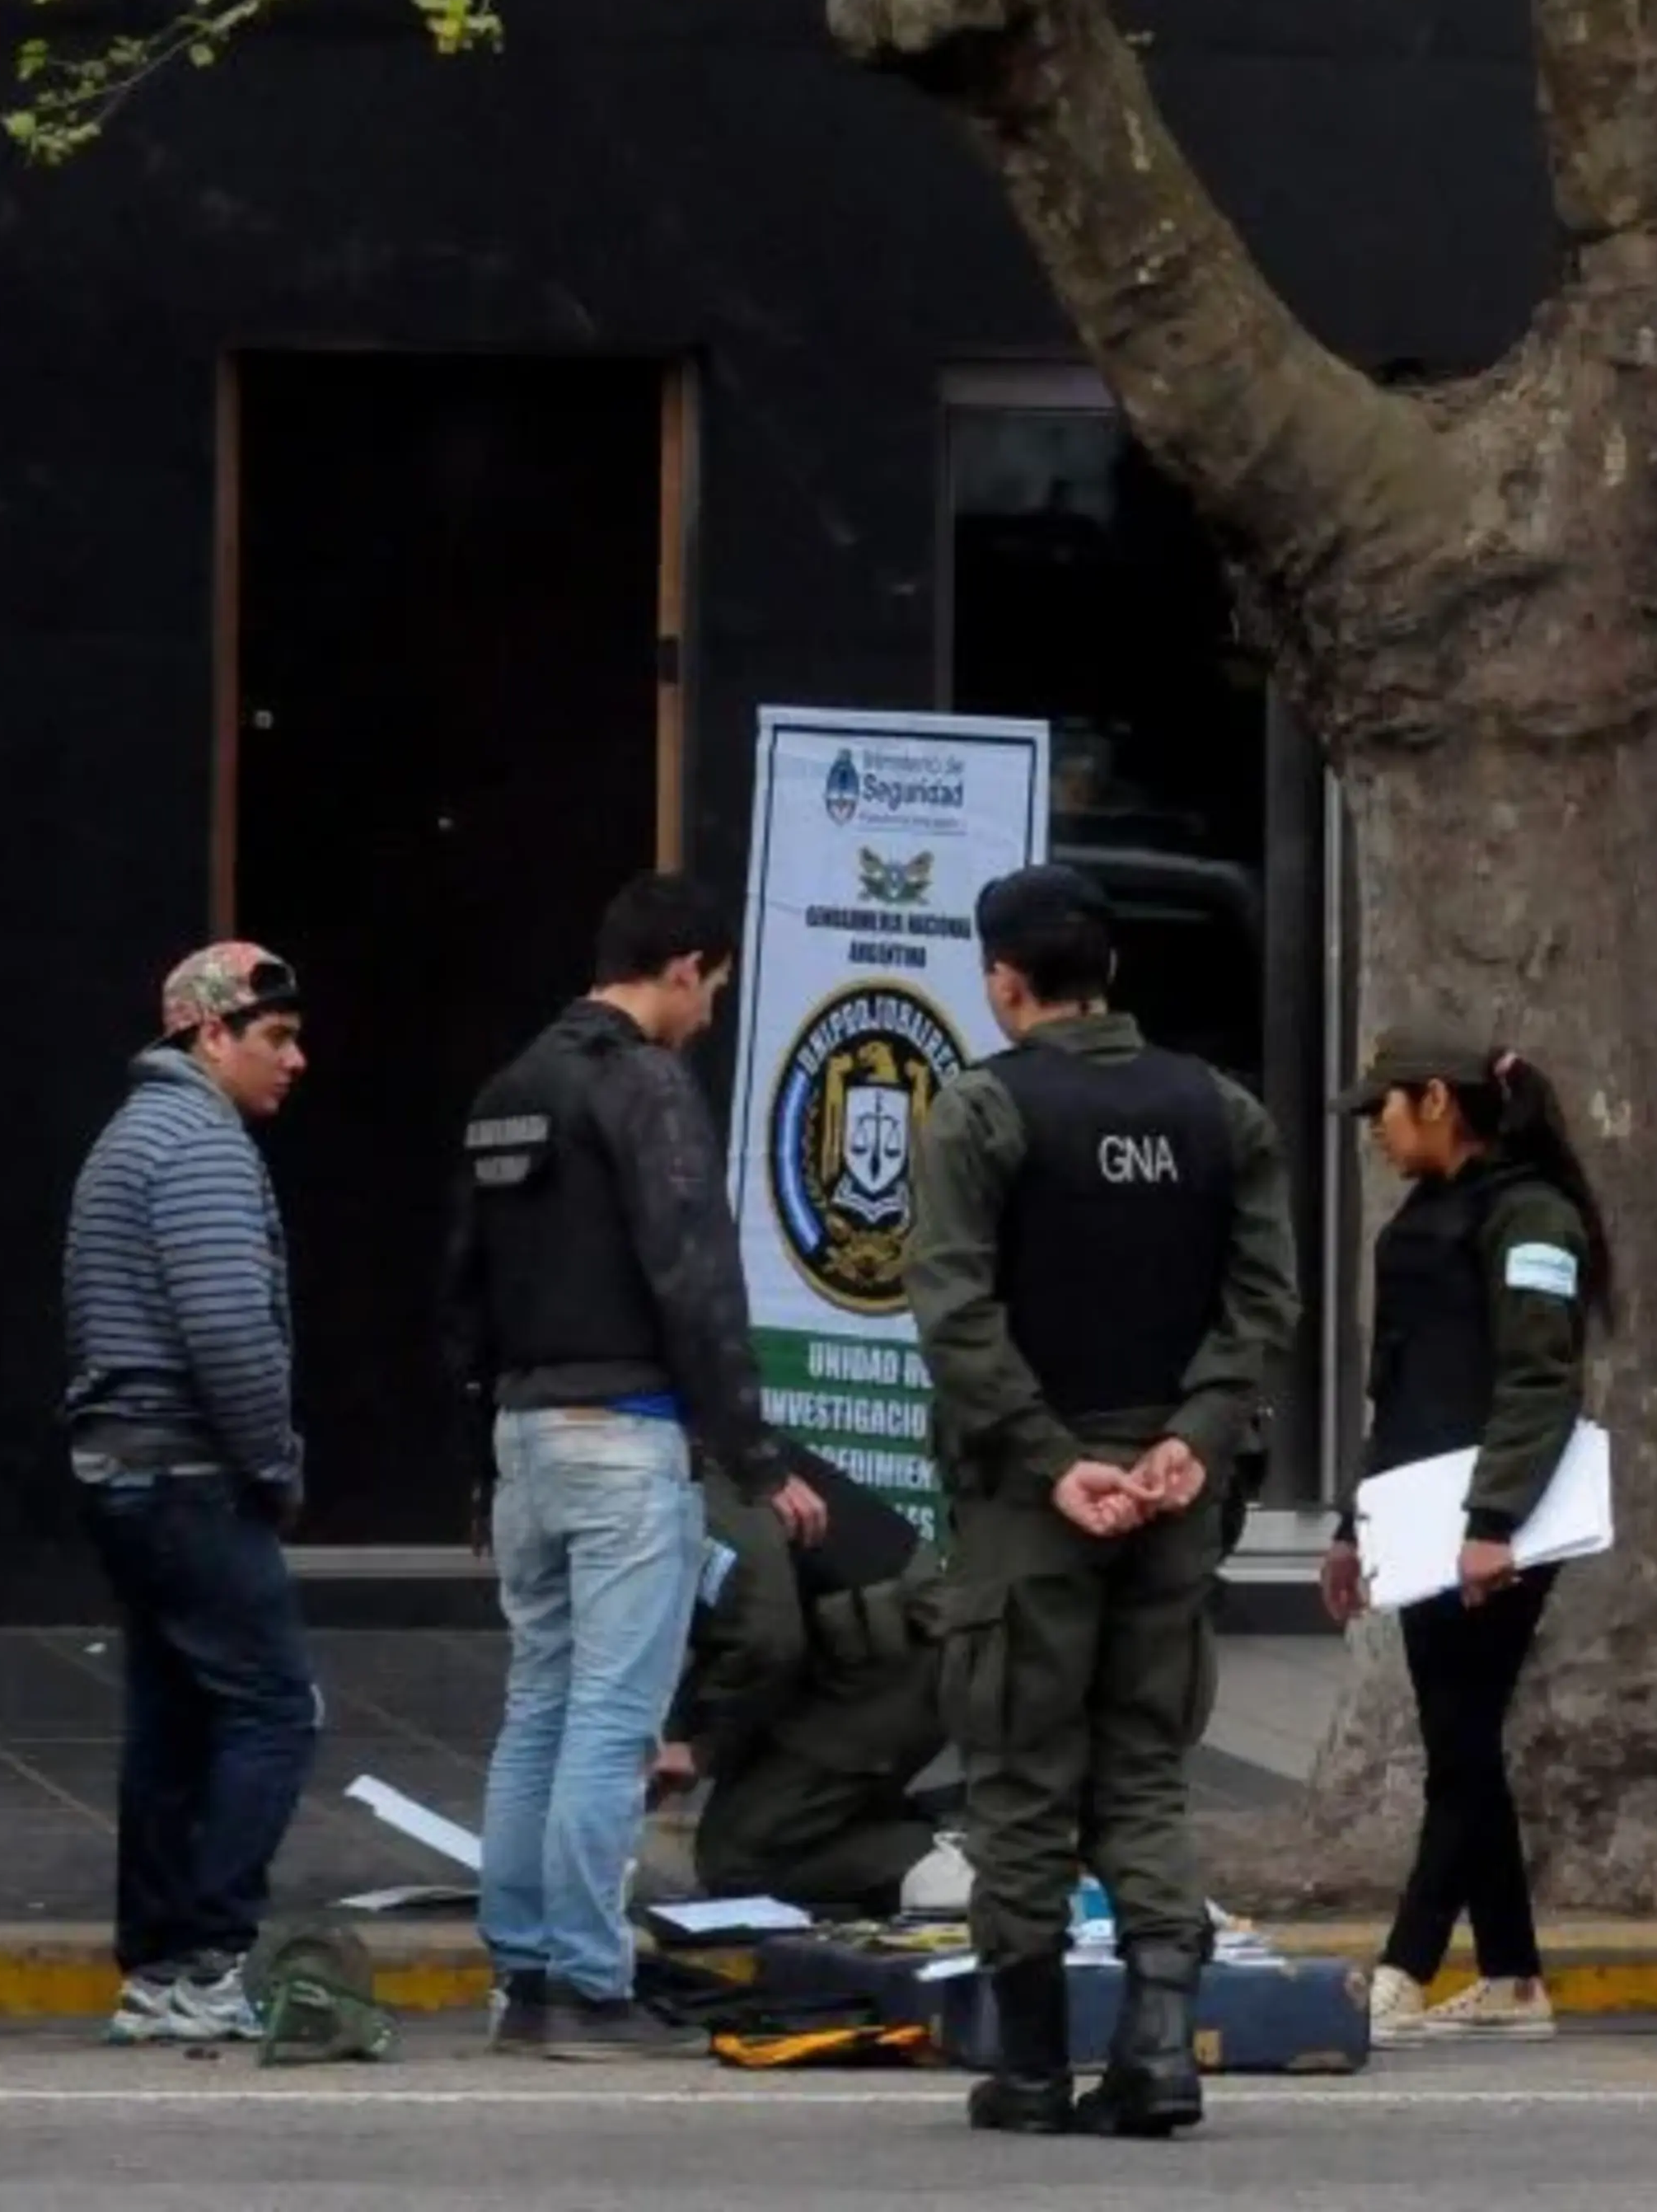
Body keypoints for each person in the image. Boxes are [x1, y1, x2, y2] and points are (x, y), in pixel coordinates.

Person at [909, 864, 1298, 2139]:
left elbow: (955, 1315)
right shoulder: (1218, 1109)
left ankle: (1028, 2066)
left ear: (1004, 983)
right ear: (1112, 973)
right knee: (1143, 1767)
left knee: (1020, 1772)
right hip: (1175, 1492)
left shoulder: (982, 1113)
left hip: (1037, 1501)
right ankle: (1161, 2049)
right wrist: (1193, 1438)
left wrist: (1047, 1458)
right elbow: (1261, 1304)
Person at [442, 875, 822, 2061]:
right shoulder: (644, 1085)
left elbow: (462, 1290)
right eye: (711, 986)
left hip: (522, 1437)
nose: (709, 1012)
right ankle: (591, 1988)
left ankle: (523, 1975)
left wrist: (478, 1457)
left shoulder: (511, 1086)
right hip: (623, 1433)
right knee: (612, 1719)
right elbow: (695, 1277)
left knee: (537, 1711)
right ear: (682, 966)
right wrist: (756, 1458)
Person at [1321, 1023, 1607, 2051]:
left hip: (1490, 1527)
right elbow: (1395, 1385)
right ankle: (1512, 1976)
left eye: (1384, 1111)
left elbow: (1541, 1379)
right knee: (1459, 1741)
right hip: (1420, 1516)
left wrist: (1495, 1527)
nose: (1376, 1133)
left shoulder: (1533, 1216)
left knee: (1460, 1745)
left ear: (1437, 1099)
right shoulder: (1431, 1209)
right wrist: (1354, 1528)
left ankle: (1403, 1965)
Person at [62, 942, 320, 2049]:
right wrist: (276, 1465)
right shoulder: (201, 1146)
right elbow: (229, 1335)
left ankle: (159, 1966)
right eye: (276, 1037)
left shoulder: (129, 1138)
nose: (297, 1060)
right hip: (187, 1474)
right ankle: (209, 1957)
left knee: (170, 1723)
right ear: (209, 1036)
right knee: (275, 1708)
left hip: (120, 1470)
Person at [658, 1443, 952, 1917]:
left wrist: (698, 1746)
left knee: (741, 1861)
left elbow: (763, 1634)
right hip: (837, 1657)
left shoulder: (682, 1472)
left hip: (888, 1662)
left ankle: (986, 1851)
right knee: (760, 1818)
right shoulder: (687, 1439)